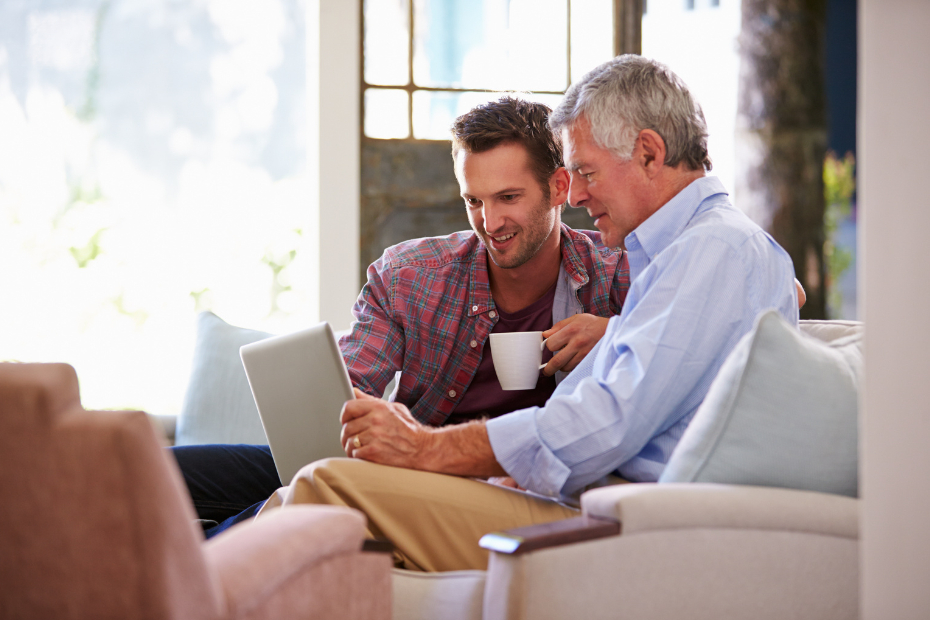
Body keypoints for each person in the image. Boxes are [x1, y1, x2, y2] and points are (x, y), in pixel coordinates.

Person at [258, 55, 801, 572]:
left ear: (649, 153)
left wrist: (425, 448)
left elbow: (605, 422)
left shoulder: (713, 252)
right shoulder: (685, 253)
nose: (579, 193)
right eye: (475, 201)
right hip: (589, 500)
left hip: (621, 522)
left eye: (585, 171)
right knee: (296, 490)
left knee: (324, 486)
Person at [173, 97, 629, 537]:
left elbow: (675, 363)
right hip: (403, 469)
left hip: (488, 491)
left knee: (309, 494)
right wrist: (351, 407)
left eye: (508, 197)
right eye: (473, 201)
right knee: (167, 471)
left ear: (559, 188)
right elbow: (355, 381)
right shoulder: (410, 276)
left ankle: (191, 570)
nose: (490, 222)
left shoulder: (613, 275)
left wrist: (614, 334)